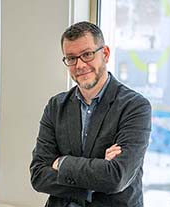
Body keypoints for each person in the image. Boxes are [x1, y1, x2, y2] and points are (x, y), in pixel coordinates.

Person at [30, 21, 151, 207]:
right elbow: (38, 175)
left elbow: (116, 177)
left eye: (87, 54)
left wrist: (61, 163)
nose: (79, 65)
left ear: (105, 54)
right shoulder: (56, 106)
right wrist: (96, 176)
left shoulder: (135, 106)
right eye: (71, 58)